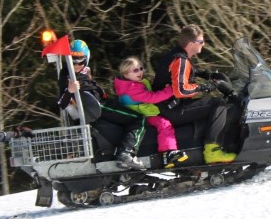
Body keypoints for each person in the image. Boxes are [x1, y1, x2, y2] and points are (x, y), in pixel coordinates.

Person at [150, 25, 239, 164]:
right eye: (201, 41)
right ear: (191, 44)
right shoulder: (181, 61)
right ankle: (212, 150)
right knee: (218, 103)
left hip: (167, 106)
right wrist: (207, 87)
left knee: (209, 102)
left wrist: (205, 74)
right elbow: (181, 90)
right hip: (172, 109)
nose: (203, 44)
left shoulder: (176, 55)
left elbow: (183, 74)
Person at [56, 38, 147, 170]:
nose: (76, 65)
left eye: (80, 61)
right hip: (97, 106)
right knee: (139, 118)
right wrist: (70, 91)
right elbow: (62, 103)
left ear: (86, 59)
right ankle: (126, 153)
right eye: (73, 61)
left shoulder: (83, 71)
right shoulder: (66, 75)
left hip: (100, 102)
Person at [113, 56, 188, 169]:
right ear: (126, 74)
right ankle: (168, 153)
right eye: (135, 70)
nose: (140, 72)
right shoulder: (131, 88)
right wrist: (173, 89)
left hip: (143, 113)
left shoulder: (132, 84)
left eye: (141, 68)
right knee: (164, 124)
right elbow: (152, 98)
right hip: (143, 116)